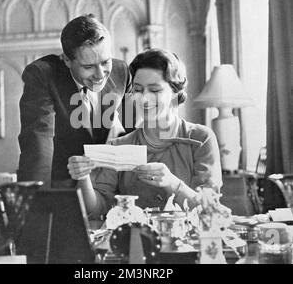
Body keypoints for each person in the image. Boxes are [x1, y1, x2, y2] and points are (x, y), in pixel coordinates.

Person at [68, 48, 222, 218]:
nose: (144, 99)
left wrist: (172, 183)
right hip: (136, 242)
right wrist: (83, 178)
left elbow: (211, 211)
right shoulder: (119, 145)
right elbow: (96, 210)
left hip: (191, 243)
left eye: (155, 90)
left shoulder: (201, 138)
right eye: (138, 90)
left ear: (175, 93)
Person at [18, 14, 134, 188]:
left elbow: (132, 135)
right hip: (62, 187)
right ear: (66, 60)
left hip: (111, 184)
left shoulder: (121, 72)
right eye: (88, 67)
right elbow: (39, 142)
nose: (100, 74)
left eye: (105, 62)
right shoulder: (43, 74)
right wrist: (38, 201)